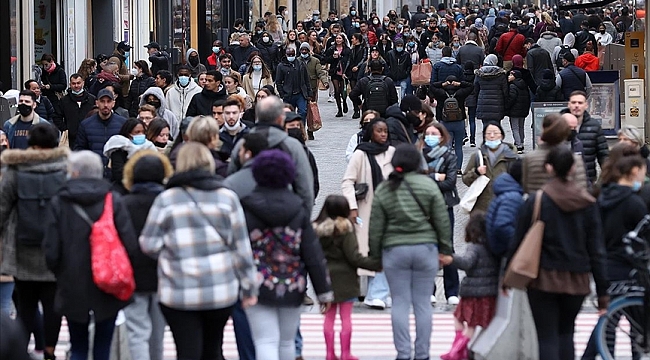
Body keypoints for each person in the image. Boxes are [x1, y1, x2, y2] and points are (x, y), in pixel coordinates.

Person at [139, 142, 257, 360]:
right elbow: (241, 248)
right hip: (220, 290)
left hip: (179, 290)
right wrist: (249, 287)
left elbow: (148, 244)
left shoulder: (167, 199)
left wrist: (170, 253)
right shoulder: (227, 198)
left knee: (187, 350)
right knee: (213, 348)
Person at [510, 146, 609, 360]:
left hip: (542, 277)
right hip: (577, 278)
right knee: (567, 333)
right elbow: (597, 250)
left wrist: (507, 278)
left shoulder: (537, 200)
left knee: (545, 336)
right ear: (573, 169)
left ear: (548, 168)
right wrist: (603, 293)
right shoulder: (588, 203)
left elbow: (517, 241)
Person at [41, 149, 138, 360]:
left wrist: (60, 273)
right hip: (107, 282)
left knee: (78, 347)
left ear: (74, 173)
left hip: (72, 280)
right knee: (103, 346)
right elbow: (129, 242)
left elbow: (51, 248)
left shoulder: (60, 202)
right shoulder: (113, 200)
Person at [239, 149, 333, 360]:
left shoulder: (247, 207)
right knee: (287, 341)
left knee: (264, 340)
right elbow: (312, 253)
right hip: (292, 282)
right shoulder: (297, 208)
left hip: (257, 282)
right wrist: (323, 291)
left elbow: (237, 248)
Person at [368, 144, 452, 360]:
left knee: (400, 303)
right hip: (425, 249)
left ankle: (403, 353)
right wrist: (445, 250)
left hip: (395, 251)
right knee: (423, 304)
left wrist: (375, 257)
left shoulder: (385, 188)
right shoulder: (428, 185)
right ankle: (422, 353)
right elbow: (442, 220)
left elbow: (376, 226)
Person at [0, 123, 67, 360]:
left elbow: (2, 209)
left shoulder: (15, 171)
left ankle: (21, 351)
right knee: (53, 305)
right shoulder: (65, 170)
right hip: (56, 250)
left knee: (25, 306)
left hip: (21, 248)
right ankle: (49, 351)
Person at [581, 143, 648, 360]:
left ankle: (591, 356)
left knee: (611, 319)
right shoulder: (634, 203)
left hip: (606, 262)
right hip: (629, 265)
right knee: (636, 322)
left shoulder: (601, 196)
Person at [121, 151, 173, 360]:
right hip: (163, 273)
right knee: (158, 333)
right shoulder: (168, 202)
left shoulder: (124, 203)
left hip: (132, 274)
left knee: (136, 331)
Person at [317, 195, 382, 360]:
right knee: (346, 318)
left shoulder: (317, 230)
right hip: (346, 279)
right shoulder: (346, 229)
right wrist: (375, 264)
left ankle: (329, 353)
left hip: (326, 279)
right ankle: (346, 353)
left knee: (329, 317)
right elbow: (354, 257)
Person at [342, 118, 396, 310]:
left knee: (387, 249)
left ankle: (380, 292)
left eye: (385, 131)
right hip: (365, 208)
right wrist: (352, 206)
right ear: (371, 132)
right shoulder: (361, 154)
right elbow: (348, 181)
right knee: (366, 252)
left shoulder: (392, 153)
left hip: (389, 210)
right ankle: (370, 292)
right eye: (379, 131)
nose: (383, 134)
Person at [441, 211, 499, 360]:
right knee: (473, 324)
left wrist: (451, 258)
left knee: (463, 322)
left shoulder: (475, 247)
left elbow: (467, 263)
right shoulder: (492, 248)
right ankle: (459, 351)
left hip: (473, 293)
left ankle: (457, 350)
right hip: (488, 291)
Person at [422, 124, 460, 305]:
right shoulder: (418, 155)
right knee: (426, 247)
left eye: (434, 134)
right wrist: (437, 177)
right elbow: (416, 180)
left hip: (445, 205)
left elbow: (451, 182)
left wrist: (428, 178)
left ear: (442, 136)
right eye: (427, 134)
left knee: (447, 246)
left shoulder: (449, 155)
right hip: (424, 206)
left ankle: (452, 291)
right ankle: (428, 289)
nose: (430, 136)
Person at [522, 113, 589, 193]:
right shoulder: (575, 158)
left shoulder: (530, 158)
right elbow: (582, 187)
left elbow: (527, 187)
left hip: (540, 202)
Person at [462, 122, 518, 212]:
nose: (492, 136)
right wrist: (476, 172)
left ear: (502, 136)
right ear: (484, 136)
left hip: (505, 207)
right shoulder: (477, 156)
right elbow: (465, 179)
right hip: (481, 208)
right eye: (488, 133)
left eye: (495, 133)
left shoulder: (511, 157)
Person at [74, 89, 127, 178]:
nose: (105, 105)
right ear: (97, 103)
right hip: (93, 175)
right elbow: (79, 149)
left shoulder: (122, 124)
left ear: (113, 103)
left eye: (108, 101)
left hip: (116, 175)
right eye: (102, 101)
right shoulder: (86, 124)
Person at [562, 90, 608, 183]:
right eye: (574, 102)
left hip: (587, 180)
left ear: (586, 105)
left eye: (580, 103)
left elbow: (603, 155)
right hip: (562, 180)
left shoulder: (594, 126)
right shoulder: (559, 123)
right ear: (568, 104)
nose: (576, 105)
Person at [429, 75, 474, 168]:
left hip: (445, 121)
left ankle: (449, 167)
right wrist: (460, 84)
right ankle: (458, 168)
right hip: (459, 121)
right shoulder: (461, 93)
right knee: (458, 147)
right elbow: (470, 86)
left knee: (447, 147)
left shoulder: (440, 93)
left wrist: (442, 84)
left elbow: (432, 86)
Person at [103, 118, 156, 193]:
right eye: (137, 132)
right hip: (122, 190)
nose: (141, 134)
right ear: (129, 133)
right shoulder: (118, 148)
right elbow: (118, 173)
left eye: (143, 132)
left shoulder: (149, 147)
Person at [485, 160, 525, 259]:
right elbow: (502, 225)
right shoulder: (513, 197)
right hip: (505, 252)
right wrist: (521, 244)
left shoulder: (507, 190)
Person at [53, 74, 97, 148]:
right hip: (71, 139)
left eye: (78, 83)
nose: (76, 86)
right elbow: (57, 117)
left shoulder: (92, 99)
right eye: (73, 83)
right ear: (70, 84)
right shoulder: (64, 101)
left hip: (89, 137)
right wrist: (65, 128)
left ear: (83, 83)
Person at [223, 132, 268, 200]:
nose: (239, 154)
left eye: (241, 150)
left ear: (248, 154)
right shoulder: (278, 179)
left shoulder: (231, 183)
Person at [276, 48, 312, 124]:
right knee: (288, 115)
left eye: (292, 55)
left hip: (300, 93)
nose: (291, 56)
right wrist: (282, 94)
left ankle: (301, 128)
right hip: (288, 94)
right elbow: (278, 81)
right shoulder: (281, 66)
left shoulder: (301, 64)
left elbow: (306, 79)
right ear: (286, 55)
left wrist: (309, 92)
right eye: (289, 55)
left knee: (303, 112)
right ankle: (291, 129)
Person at [474, 54, 508, 125]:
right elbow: (505, 91)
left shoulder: (479, 74)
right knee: (496, 128)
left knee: (486, 127)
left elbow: (476, 89)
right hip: (497, 104)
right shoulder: (501, 74)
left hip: (483, 103)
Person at [324, 34, 352, 117]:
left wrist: (341, 57)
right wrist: (333, 57)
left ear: (343, 39)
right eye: (337, 38)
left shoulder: (347, 49)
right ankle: (339, 109)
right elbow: (326, 59)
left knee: (343, 90)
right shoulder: (331, 49)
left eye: (340, 38)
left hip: (344, 72)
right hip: (335, 71)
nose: (338, 40)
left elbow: (349, 60)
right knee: (337, 90)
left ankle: (344, 101)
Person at [505, 70, 531, 154]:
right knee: (521, 127)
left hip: (514, 111)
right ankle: (521, 142)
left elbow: (511, 99)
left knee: (515, 128)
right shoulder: (524, 85)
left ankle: (518, 145)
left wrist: (506, 107)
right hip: (523, 110)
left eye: (511, 75)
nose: (509, 76)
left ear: (515, 77)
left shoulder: (513, 86)